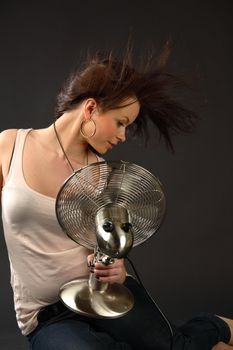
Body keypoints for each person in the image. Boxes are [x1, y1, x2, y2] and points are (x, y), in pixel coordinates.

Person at [0, 45, 233, 350]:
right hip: (49, 317)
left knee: (175, 347)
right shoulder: (10, 146)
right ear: (91, 108)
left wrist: (117, 268)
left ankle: (217, 326)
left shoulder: (99, 174)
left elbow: (105, 243)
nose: (123, 135)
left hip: (104, 296)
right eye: (121, 122)